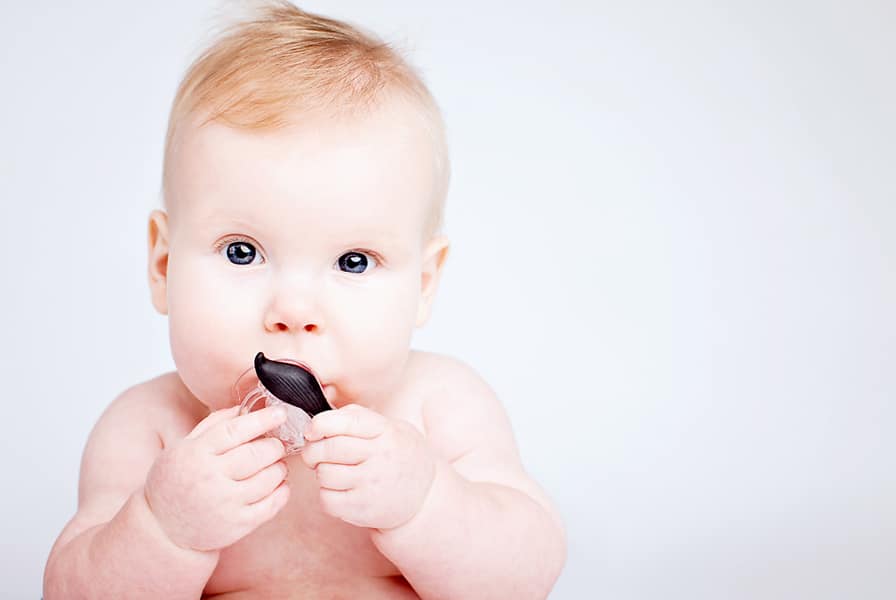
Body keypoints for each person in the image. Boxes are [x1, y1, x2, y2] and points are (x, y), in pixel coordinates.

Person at [42, 2, 566, 598]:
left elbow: (526, 576)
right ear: (163, 265)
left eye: (353, 262)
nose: (293, 312)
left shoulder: (441, 407)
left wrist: (428, 504)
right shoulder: (149, 430)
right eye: (242, 252)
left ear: (423, 285)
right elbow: (70, 590)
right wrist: (163, 528)